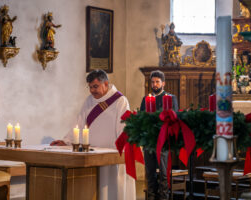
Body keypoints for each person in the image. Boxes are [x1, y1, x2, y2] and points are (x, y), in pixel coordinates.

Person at [50, 69, 135, 200]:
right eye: (90, 87)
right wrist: (66, 141)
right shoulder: (89, 100)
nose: (92, 91)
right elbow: (79, 123)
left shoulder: (120, 101)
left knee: (111, 190)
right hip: (92, 154)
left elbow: (124, 127)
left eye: (95, 86)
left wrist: (121, 150)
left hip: (111, 154)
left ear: (106, 84)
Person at [140, 70, 178, 200]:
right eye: (152, 82)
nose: (154, 84)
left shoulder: (170, 98)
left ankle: (164, 197)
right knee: (150, 172)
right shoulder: (146, 99)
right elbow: (141, 118)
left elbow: (174, 118)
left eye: (157, 82)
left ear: (163, 83)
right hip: (148, 141)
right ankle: (151, 197)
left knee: (163, 172)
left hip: (163, 140)